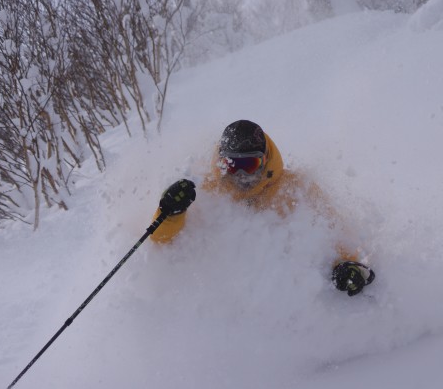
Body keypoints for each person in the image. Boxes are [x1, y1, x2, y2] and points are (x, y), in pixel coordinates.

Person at [152, 120, 375, 296]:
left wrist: (347, 263)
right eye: (231, 165)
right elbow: (160, 244)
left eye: (249, 165)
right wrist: (170, 213)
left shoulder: (294, 187)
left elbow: (336, 231)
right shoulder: (204, 188)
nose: (240, 176)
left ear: (265, 160)